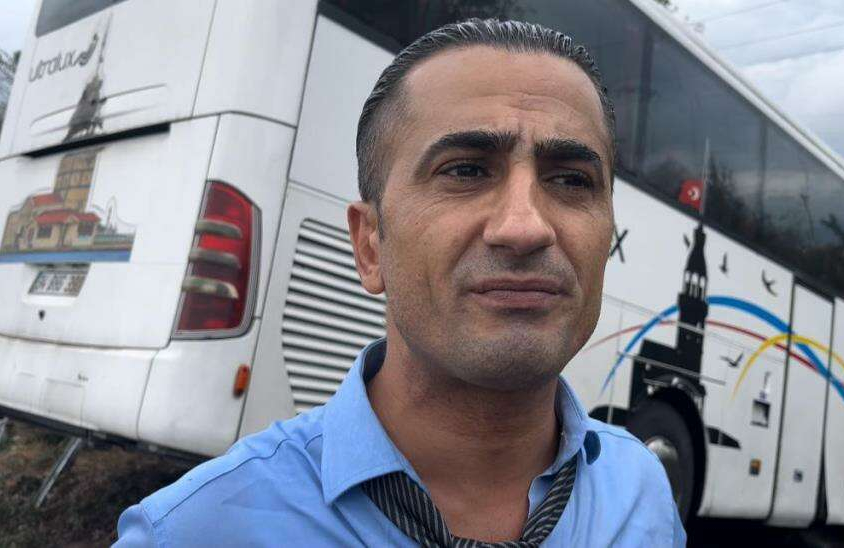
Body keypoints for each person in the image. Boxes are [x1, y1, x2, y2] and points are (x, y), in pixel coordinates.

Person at [115, 19, 686, 547]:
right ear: (369, 245)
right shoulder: (196, 531)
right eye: (465, 170)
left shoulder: (641, 495)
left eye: (572, 180)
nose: (525, 227)